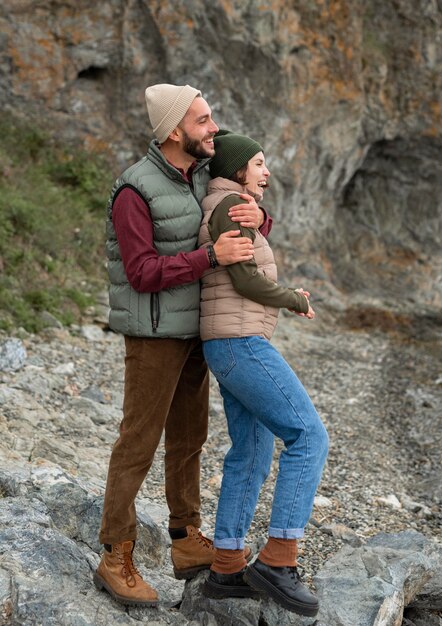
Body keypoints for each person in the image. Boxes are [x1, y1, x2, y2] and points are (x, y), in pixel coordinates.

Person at [94, 85, 272, 608]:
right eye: (203, 119)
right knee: (138, 443)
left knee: (190, 439)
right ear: (175, 131)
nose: (213, 127)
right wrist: (209, 259)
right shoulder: (135, 189)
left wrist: (260, 218)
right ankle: (115, 554)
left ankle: (185, 539)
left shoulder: (203, 177)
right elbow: (142, 272)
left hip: (195, 331)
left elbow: (236, 215)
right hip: (152, 336)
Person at [198, 130, 329, 617]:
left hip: (226, 344)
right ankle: (278, 560)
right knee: (309, 437)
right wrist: (294, 298)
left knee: (250, 452)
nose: (266, 172)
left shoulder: (230, 203)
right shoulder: (232, 204)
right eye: (257, 164)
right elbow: (244, 278)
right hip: (241, 343)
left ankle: (227, 566)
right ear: (235, 171)